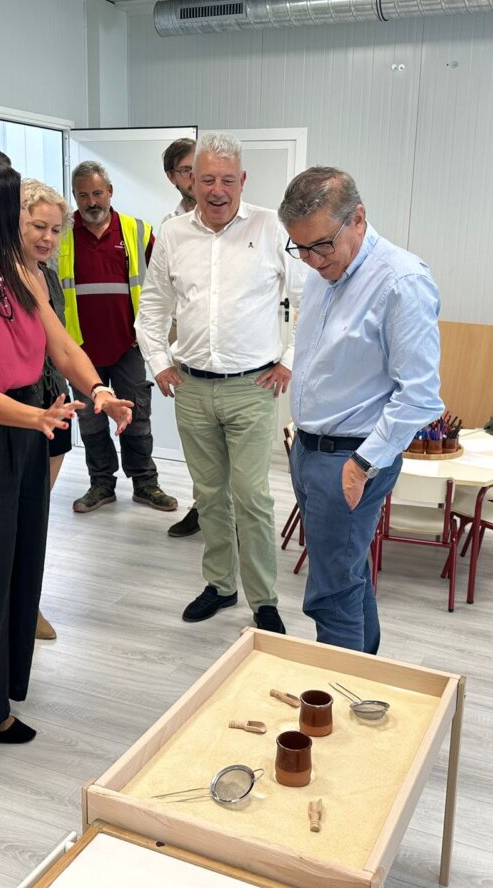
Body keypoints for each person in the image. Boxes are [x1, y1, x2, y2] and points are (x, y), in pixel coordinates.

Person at [0, 159, 131, 758]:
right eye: (15, 212)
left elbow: (62, 345)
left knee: (15, 569)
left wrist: (100, 392)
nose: (29, 227)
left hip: (23, 431)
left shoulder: (19, 275)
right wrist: (36, 418)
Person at [137, 132, 304, 634]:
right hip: (190, 388)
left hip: (253, 388)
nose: (216, 189)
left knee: (252, 497)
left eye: (227, 180)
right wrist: (159, 362)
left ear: (242, 181)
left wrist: (289, 360)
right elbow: (152, 309)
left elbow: (308, 299)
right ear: (190, 179)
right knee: (209, 494)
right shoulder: (172, 235)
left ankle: (264, 600)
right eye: (205, 178)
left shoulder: (272, 228)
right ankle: (221, 586)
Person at [279, 166, 443, 655]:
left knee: (329, 594)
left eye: (321, 245)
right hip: (309, 451)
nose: (311, 260)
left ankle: (337, 699)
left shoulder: (400, 282)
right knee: (346, 577)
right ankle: (366, 677)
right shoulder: (325, 270)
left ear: (358, 219)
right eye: (300, 248)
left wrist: (362, 464)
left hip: (352, 458)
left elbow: (421, 395)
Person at [58, 160, 177, 515]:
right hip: (80, 350)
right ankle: (101, 485)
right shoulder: (60, 234)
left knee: (136, 414)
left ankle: (145, 484)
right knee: (92, 419)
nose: (91, 201)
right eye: (83, 195)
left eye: (97, 193)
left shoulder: (137, 231)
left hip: (129, 345)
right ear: (75, 197)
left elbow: (163, 283)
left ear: (110, 192)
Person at [22, 177, 74, 640]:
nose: (48, 238)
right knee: (17, 518)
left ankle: (28, 605)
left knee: (37, 512)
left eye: (56, 230)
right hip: (18, 408)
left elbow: (60, 344)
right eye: (39, 226)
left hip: (53, 401)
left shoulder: (50, 275)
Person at [160, 136, 202, 539]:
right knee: (198, 445)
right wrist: (162, 357)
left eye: (198, 166)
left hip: (237, 357)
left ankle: (236, 517)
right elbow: (161, 294)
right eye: (186, 170)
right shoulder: (170, 227)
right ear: (172, 177)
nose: (195, 176)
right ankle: (202, 507)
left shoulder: (237, 216)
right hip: (186, 346)